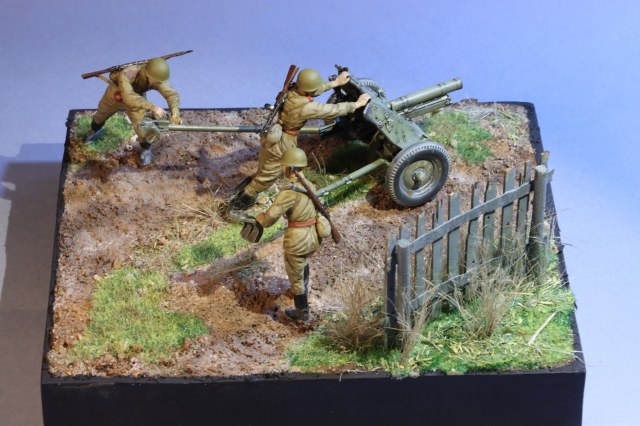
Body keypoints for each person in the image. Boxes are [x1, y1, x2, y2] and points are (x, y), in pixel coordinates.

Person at [229, 68, 370, 212]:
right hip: (283, 142)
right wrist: (356, 104)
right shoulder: (305, 107)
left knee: (265, 169)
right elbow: (332, 110)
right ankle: (235, 208)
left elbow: (312, 90)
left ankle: (239, 193)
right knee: (268, 176)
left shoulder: (293, 90)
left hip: (275, 134)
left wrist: (335, 83)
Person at [254, 147, 322, 321]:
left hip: (298, 239)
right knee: (302, 264)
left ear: (289, 167)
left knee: (294, 272)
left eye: (283, 165)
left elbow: (271, 216)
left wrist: (261, 219)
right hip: (313, 235)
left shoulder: (289, 192)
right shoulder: (309, 185)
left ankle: (302, 312)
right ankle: (303, 291)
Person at [84, 57, 182, 165]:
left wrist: (175, 114)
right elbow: (129, 97)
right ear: (148, 75)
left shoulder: (157, 77)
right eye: (157, 80)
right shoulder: (128, 73)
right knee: (101, 114)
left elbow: (172, 95)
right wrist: (153, 107)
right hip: (116, 95)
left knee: (142, 126)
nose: (159, 83)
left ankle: (145, 148)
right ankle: (93, 130)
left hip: (138, 101)